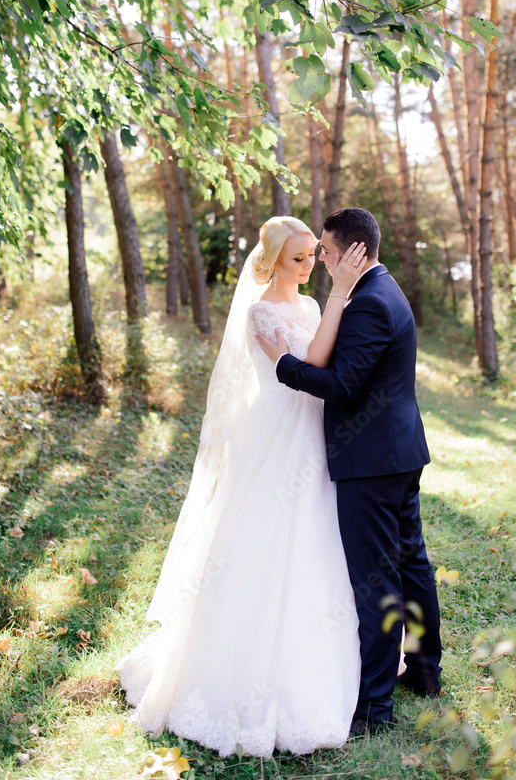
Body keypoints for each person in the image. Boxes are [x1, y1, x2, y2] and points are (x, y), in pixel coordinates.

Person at [117, 216, 368, 757]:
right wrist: (341, 298)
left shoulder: (307, 307)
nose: (309, 266)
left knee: (321, 539)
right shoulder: (262, 313)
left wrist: (336, 306)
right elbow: (309, 364)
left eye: (311, 257)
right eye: (298, 258)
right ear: (273, 260)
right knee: (263, 541)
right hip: (278, 436)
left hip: (317, 434)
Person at [257, 207, 442, 735]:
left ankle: (374, 707)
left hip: (371, 462)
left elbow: (341, 385)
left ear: (353, 252)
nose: (323, 262)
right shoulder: (383, 291)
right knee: (411, 565)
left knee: (378, 580)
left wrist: (284, 366)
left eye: (329, 252)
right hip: (397, 452)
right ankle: (426, 671)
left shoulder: (366, 306)